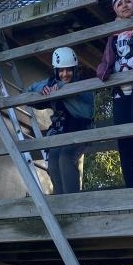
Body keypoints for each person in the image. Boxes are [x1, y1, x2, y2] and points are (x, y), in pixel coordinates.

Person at [96, 0, 133, 188]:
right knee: (124, 142)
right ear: (115, 9)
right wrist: (103, 69)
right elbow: (107, 57)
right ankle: (131, 188)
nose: (124, 6)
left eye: (128, 1)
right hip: (120, 90)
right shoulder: (113, 34)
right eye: (119, 3)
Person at [28, 46, 94, 194]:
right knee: (53, 161)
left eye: (69, 70)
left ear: (75, 69)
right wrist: (43, 90)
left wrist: (62, 91)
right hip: (59, 131)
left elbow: (87, 112)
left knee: (65, 157)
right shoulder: (52, 83)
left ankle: (72, 202)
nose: (65, 74)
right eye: (61, 70)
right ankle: (61, 203)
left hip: (80, 129)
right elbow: (30, 90)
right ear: (56, 71)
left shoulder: (83, 85)